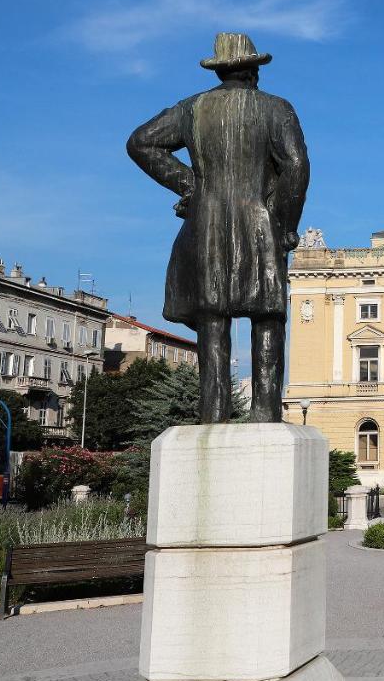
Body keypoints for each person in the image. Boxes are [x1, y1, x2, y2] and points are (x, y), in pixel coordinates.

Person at [127, 33, 309, 423]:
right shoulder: (277, 109)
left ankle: (212, 413)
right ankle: (265, 413)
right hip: (260, 221)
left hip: (206, 222)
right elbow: (296, 166)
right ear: (255, 69)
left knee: (212, 320)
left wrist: (190, 185)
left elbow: (141, 143)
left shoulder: (192, 109)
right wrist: (284, 224)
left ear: (220, 70)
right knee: (267, 317)